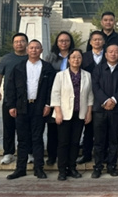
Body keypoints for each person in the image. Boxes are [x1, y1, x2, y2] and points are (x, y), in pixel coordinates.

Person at [4, 40, 56, 180]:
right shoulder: (19, 67)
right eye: (31, 48)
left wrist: (48, 105)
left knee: (37, 138)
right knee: (22, 139)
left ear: (41, 50)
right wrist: (12, 106)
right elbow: (11, 88)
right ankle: (20, 169)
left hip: (39, 107)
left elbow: (52, 88)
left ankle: (38, 168)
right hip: (22, 107)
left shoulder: (47, 68)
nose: (34, 50)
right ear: (27, 50)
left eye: (37, 48)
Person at [50, 48, 93, 181]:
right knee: (63, 143)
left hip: (79, 113)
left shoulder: (87, 75)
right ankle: (62, 170)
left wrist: (89, 112)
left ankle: (72, 167)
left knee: (75, 142)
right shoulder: (60, 75)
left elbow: (90, 95)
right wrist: (58, 112)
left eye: (79, 57)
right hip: (64, 114)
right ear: (68, 60)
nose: (76, 60)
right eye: (73, 57)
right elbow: (55, 94)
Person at [90, 45, 118, 178]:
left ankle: (112, 166)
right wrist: (106, 100)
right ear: (105, 55)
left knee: (113, 139)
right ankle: (98, 167)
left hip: (117, 110)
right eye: (110, 52)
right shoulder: (98, 69)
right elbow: (95, 86)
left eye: (116, 52)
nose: (113, 54)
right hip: (100, 110)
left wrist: (114, 100)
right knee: (99, 140)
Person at [0, 33, 29, 165]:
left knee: (25, 128)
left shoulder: (31, 58)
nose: (19, 44)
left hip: (26, 99)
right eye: (16, 41)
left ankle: (27, 152)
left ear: (26, 43)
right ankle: (8, 152)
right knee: (8, 127)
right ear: (13, 44)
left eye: (22, 41)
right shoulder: (6, 59)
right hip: (10, 99)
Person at [44, 31, 75, 166]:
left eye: (66, 40)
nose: (64, 43)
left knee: (69, 129)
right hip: (54, 94)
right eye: (61, 40)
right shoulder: (50, 57)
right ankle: (52, 155)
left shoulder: (74, 55)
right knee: (53, 128)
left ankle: (67, 157)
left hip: (71, 95)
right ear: (57, 42)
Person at [78, 31, 106, 165]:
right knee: (88, 128)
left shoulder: (109, 55)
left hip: (105, 95)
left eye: (100, 39)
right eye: (94, 39)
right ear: (90, 42)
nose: (97, 42)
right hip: (87, 96)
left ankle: (103, 155)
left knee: (104, 128)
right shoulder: (84, 57)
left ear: (104, 41)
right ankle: (86, 154)